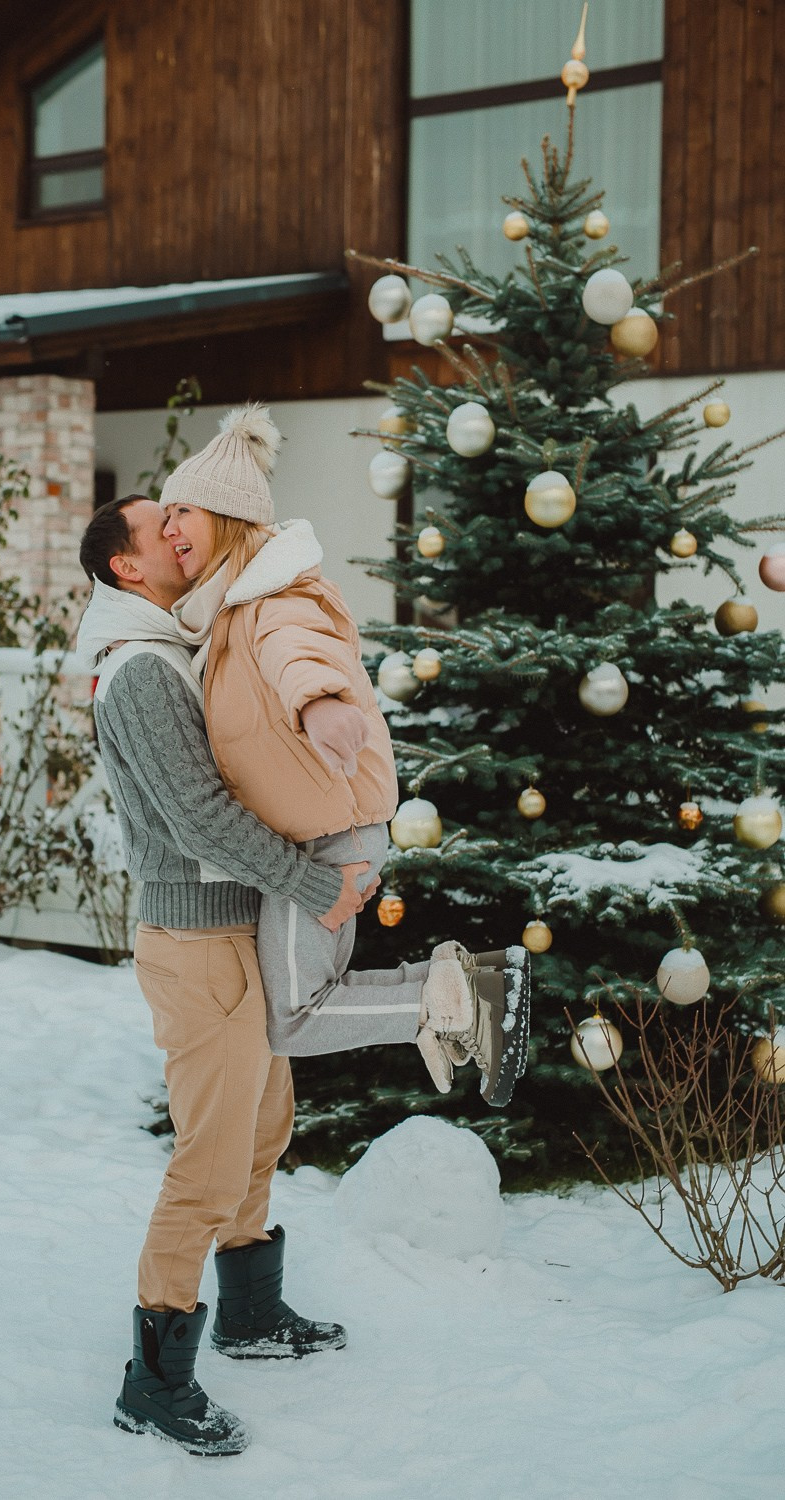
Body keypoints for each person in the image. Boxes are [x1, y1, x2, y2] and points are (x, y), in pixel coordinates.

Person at [76, 494, 371, 1458]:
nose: (176, 533)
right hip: (198, 947)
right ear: (126, 568)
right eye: (154, 527)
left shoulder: (178, 646)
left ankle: (250, 1313)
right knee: (207, 1162)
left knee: (262, 1128)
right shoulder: (139, 670)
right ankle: (154, 1383)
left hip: (236, 933)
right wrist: (312, 884)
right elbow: (199, 816)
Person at [160, 403, 530, 1104]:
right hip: (321, 836)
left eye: (183, 511)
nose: (168, 527)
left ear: (228, 515)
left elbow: (299, 652)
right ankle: (462, 991)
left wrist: (319, 703)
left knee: (295, 1017)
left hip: (330, 839)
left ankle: (466, 996)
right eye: (164, 515)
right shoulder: (231, 612)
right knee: (304, 1003)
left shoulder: (273, 598)